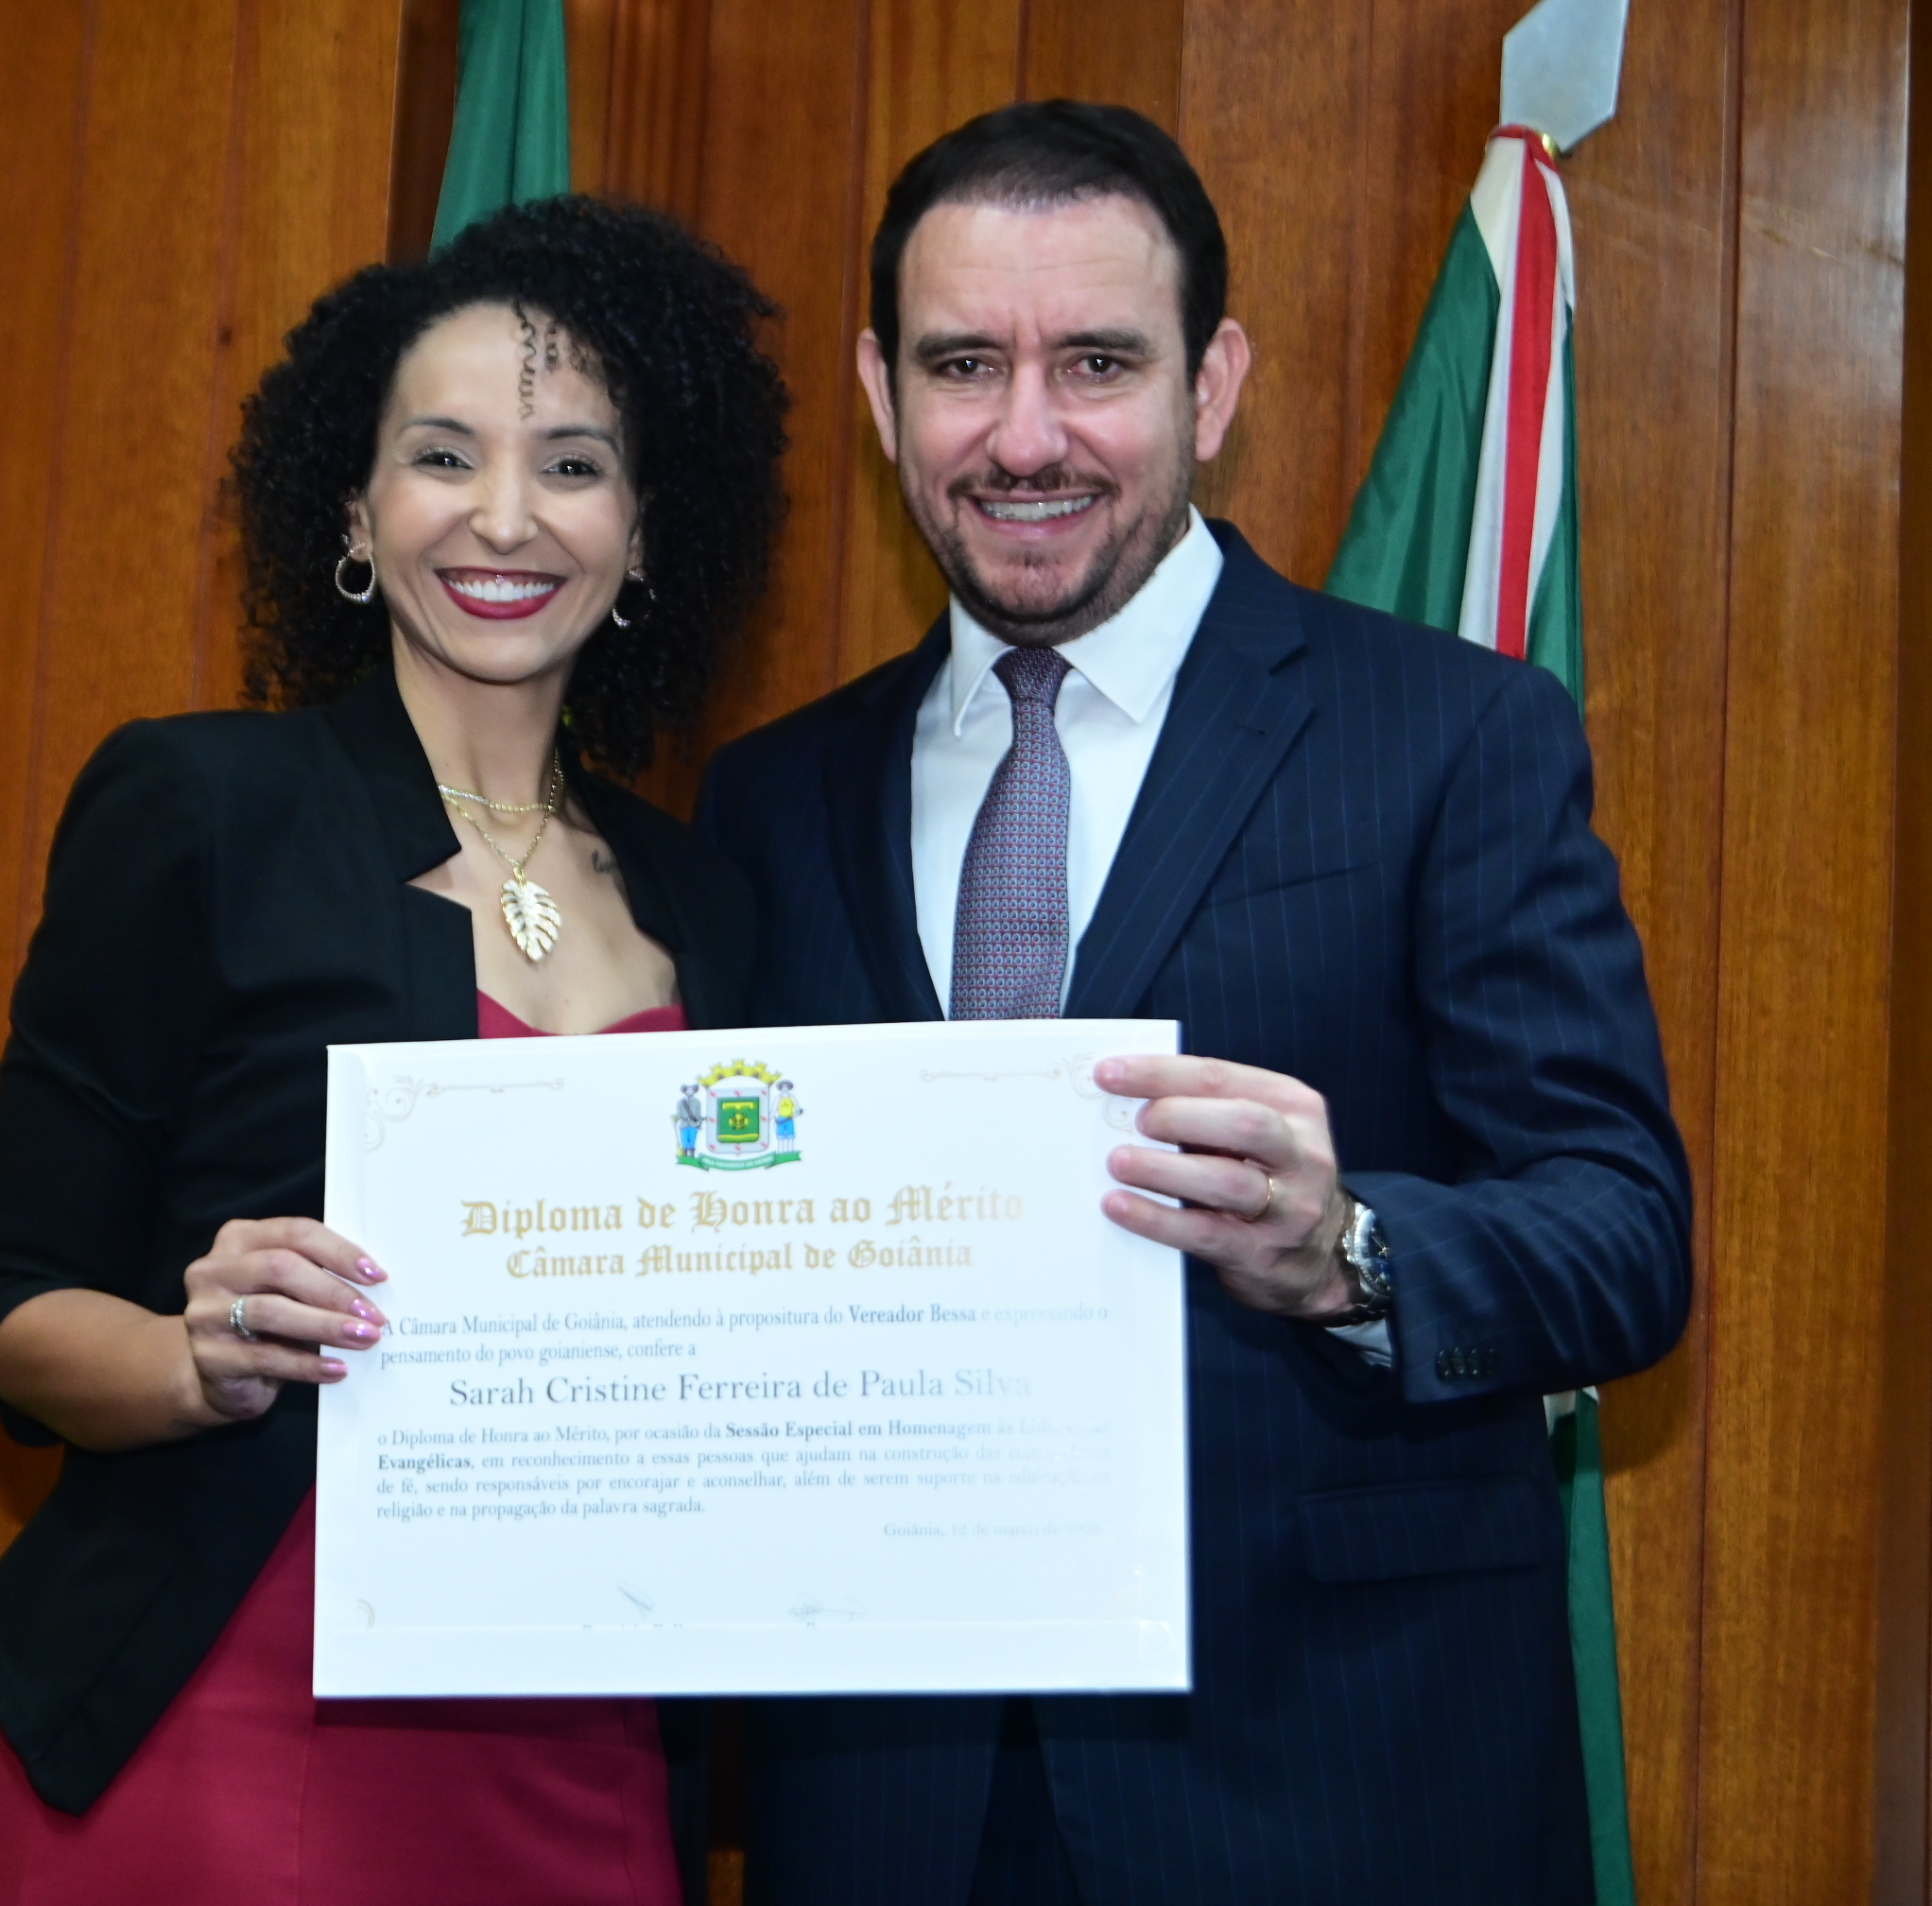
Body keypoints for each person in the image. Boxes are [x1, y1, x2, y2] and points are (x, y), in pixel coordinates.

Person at [699, 101, 1692, 1906]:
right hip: (890, 1809)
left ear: (1212, 384)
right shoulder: (770, 800)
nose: (1025, 436)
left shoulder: (1450, 736)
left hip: (1335, 1793)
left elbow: (1624, 1236)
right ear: (879, 394)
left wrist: (1350, 1251)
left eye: (1098, 363)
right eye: (962, 365)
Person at [0, 195, 785, 1906]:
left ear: (645, 529)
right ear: (354, 502)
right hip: (232, 1730)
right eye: (442, 456)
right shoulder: (200, 808)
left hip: (593, 1749)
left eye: (573, 465)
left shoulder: (712, 897)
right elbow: (14, 1309)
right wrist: (197, 1359)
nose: (506, 516)